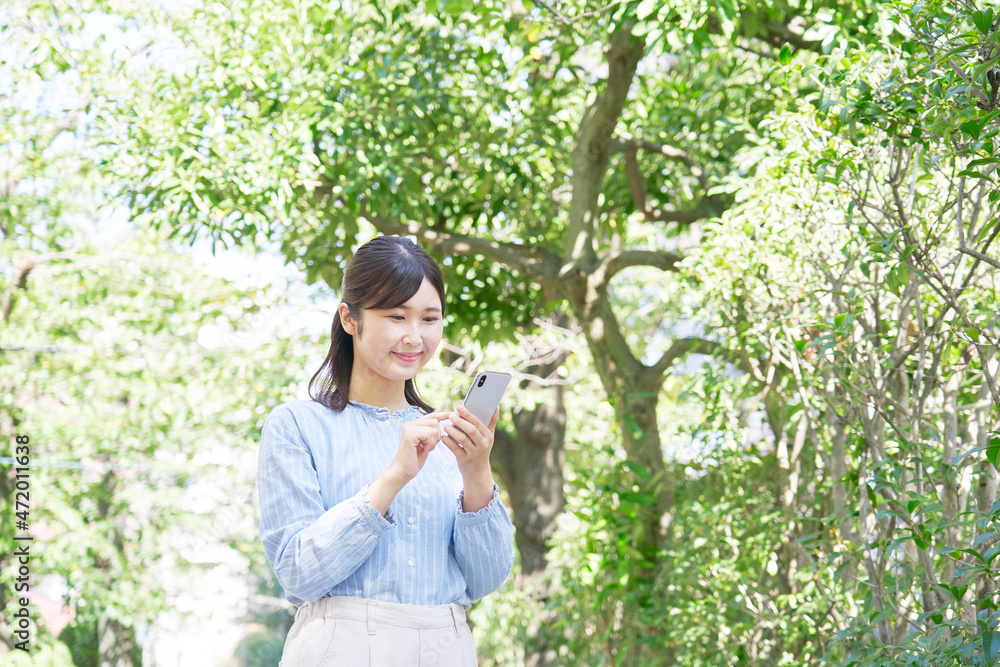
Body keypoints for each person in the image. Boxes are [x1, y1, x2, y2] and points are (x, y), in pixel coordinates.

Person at [258, 235, 515, 666]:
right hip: (339, 650)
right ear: (350, 319)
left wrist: (475, 472)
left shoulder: (448, 436)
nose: (414, 337)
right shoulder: (297, 426)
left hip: (444, 649)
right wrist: (394, 476)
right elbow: (299, 573)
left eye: (430, 319)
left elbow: (485, 580)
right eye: (396, 316)